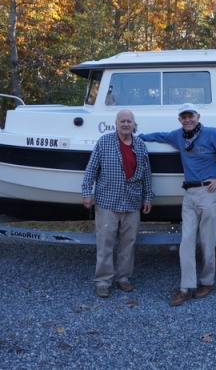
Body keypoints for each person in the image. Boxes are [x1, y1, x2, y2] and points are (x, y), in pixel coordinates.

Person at [139, 103, 216, 306]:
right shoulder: (178, 136)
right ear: (179, 119)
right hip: (189, 194)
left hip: (209, 193)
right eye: (183, 117)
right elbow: (159, 136)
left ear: (198, 116)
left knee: (208, 241)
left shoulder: (212, 134)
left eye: (191, 116)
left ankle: (207, 282)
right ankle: (185, 287)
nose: (187, 120)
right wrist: (136, 137)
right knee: (186, 240)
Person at [82, 109, 154, 299]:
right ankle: (103, 282)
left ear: (133, 124)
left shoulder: (140, 145)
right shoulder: (104, 142)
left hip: (132, 202)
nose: (125, 124)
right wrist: (86, 193)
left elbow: (147, 174)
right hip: (107, 202)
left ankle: (123, 277)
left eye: (129, 121)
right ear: (116, 123)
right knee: (105, 243)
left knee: (128, 244)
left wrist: (148, 197)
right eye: (122, 121)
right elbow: (91, 170)